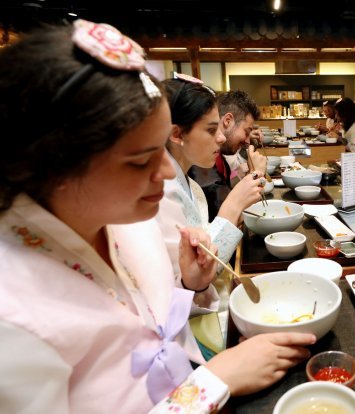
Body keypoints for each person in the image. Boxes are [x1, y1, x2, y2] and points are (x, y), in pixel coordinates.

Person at [0, 20, 315, 413]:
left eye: (160, 149)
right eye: (139, 160)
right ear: (54, 163)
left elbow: (155, 317)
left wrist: (191, 282)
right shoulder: (12, 314)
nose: (166, 172)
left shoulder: (123, 218)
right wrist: (213, 382)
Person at [157, 74, 266, 354]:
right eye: (210, 129)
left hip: (202, 308)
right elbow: (203, 269)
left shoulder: (188, 182)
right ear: (177, 134)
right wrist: (233, 206)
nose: (220, 137)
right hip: (183, 331)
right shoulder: (160, 191)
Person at [214, 90, 267, 187]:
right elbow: (219, 201)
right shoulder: (206, 159)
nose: (247, 141)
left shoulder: (220, 155)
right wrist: (254, 174)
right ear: (228, 121)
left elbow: (224, 189)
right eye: (246, 132)